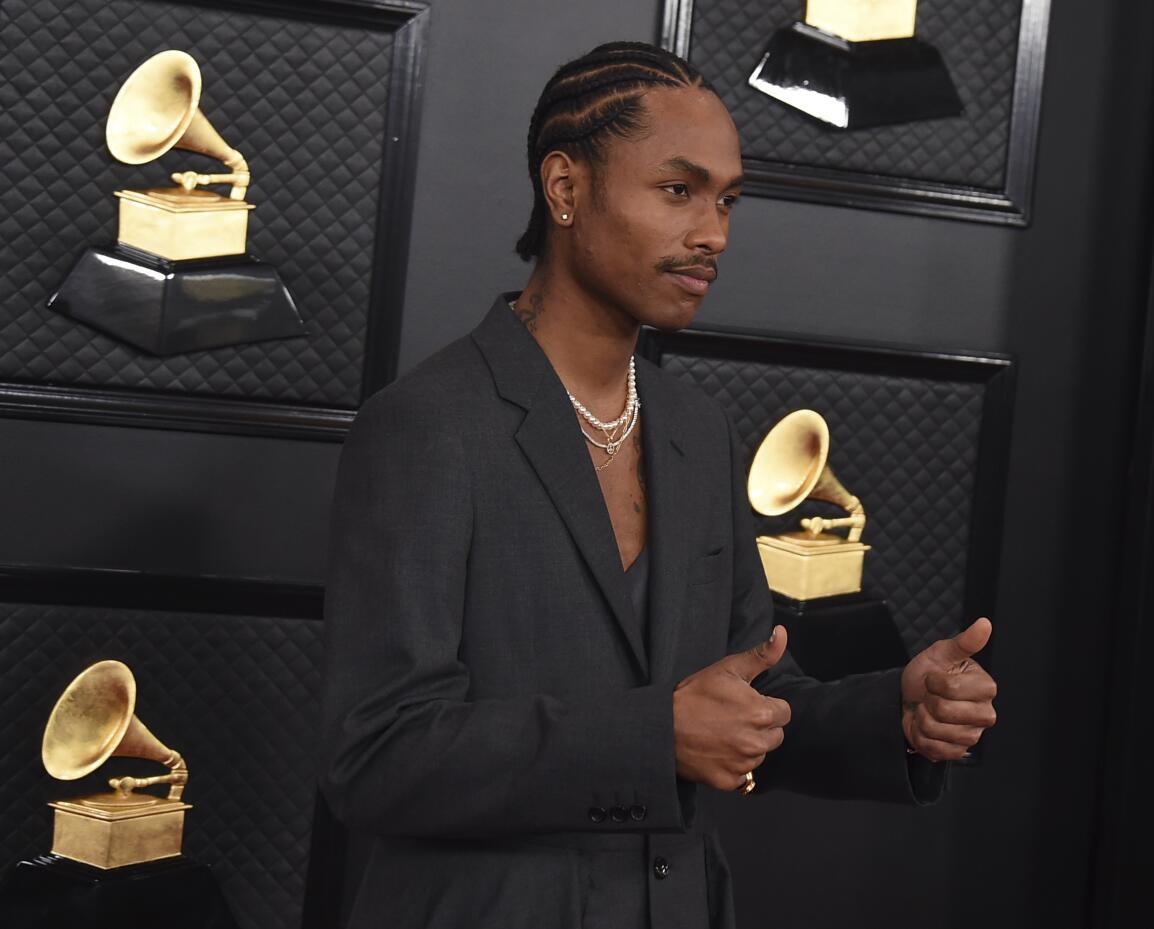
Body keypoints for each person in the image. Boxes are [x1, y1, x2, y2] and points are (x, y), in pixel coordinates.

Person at [319, 40, 998, 929]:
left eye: (726, 200)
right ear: (564, 189)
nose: (712, 231)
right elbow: (379, 756)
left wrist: (893, 717)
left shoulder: (697, 430)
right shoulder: (428, 424)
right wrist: (652, 737)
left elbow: (750, 696)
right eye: (678, 191)